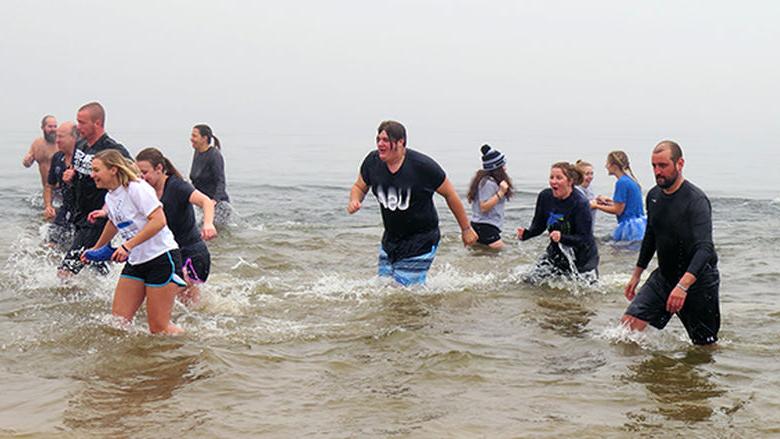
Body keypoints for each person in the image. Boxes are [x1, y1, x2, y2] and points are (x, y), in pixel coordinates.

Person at [347, 120, 478, 286]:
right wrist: (355, 200)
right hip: (391, 239)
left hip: (422, 239)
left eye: (386, 140)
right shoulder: (372, 162)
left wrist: (466, 229)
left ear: (401, 142)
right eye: (378, 139)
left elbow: (450, 195)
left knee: (403, 290)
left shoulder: (422, 167)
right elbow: (359, 186)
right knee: (384, 287)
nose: (380, 144)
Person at [621, 141, 720, 345]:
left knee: (703, 347)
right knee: (626, 330)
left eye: (663, 165)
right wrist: (636, 275)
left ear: (680, 163)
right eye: (654, 166)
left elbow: (705, 249)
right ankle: (647, 376)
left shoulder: (696, 200)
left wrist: (683, 287)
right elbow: (651, 237)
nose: (658, 171)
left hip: (697, 282)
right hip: (665, 276)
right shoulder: (654, 196)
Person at [81, 149, 185, 335]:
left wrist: (128, 245)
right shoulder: (110, 196)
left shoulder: (136, 188)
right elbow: (114, 223)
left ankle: (193, 349)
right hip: (137, 260)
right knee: (118, 323)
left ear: (113, 169)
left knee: (159, 329)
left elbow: (159, 221)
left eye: (96, 170)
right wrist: (96, 249)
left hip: (161, 258)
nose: (92, 175)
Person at [136, 147, 217, 306]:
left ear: (159, 168)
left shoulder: (177, 186)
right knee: (176, 304)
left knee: (178, 303)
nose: (141, 177)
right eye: (139, 173)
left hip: (192, 254)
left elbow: (206, 201)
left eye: (145, 172)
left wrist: (208, 224)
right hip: (168, 253)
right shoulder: (145, 190)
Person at [59, 102, 132, 277]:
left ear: (97, 123)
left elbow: (132, 177)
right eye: (77, 121)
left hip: (97, 219)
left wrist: (111, 209)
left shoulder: (113, 150)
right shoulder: (81, 145)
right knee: (97, 268)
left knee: (66, 271)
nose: (78, 127)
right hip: (79, 215)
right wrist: (70, 177)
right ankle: (108, 295)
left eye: (82, 122)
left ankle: (62, 303)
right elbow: (80, 176)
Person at [516, 162, 599, 279]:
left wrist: (562, 237)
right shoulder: (545, 197)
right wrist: (526, 234)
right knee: (529, 281)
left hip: (583, 258)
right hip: (557, 252)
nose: (553, 181)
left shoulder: (580, 203)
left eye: (559, 178)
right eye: (551, 177)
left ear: (570, 181)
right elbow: (539, 226)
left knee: (581, 294)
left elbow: (584, 238)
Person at [466, 144, 514, 249]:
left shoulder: (486, 181)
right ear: (497, 168)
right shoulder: (488, 183)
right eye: (503, 165)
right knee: (505, 255)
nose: (505, 168)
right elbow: (484, 207)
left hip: (479, 226)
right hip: (486, 227)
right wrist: (501, 192)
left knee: (480, 256)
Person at [592, 151, 646, 241]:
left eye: (607, 163)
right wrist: (608, 202)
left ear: (614, 166)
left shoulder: (621, 183)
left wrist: (596, 206)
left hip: (630, 228)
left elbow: (617, 210)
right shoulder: (631, 180)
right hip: (640, 225)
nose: (606, 166)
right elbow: (626, 205)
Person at [44, 122, 78, 248]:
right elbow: (49, 185)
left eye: (61, 137)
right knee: (51, 245)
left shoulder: (83, 158)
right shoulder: (57, 158)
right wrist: (48, 206)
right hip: (66, 208)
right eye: (56, 136)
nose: (57, 140)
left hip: (83, 212)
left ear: (74, 137)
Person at [189, 124, 231, 225]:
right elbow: (195, 180)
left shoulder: (214, 155)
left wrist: (214, 201)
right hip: (204, 204)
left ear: (204, 138)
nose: (191, 139)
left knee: (208, 234)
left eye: (194, 136)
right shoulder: (197, 152)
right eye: (191, 135)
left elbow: (221, 181)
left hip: (218, 206)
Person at [23, 115, 59, 213]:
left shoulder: (61, 143)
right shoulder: (37, 144)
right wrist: (27, 161)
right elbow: (27, 163)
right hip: (47, 189)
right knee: (46, 214)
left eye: (55, 126)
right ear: (43, 127)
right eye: (50, 127)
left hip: (61, 188)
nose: (53, 129)